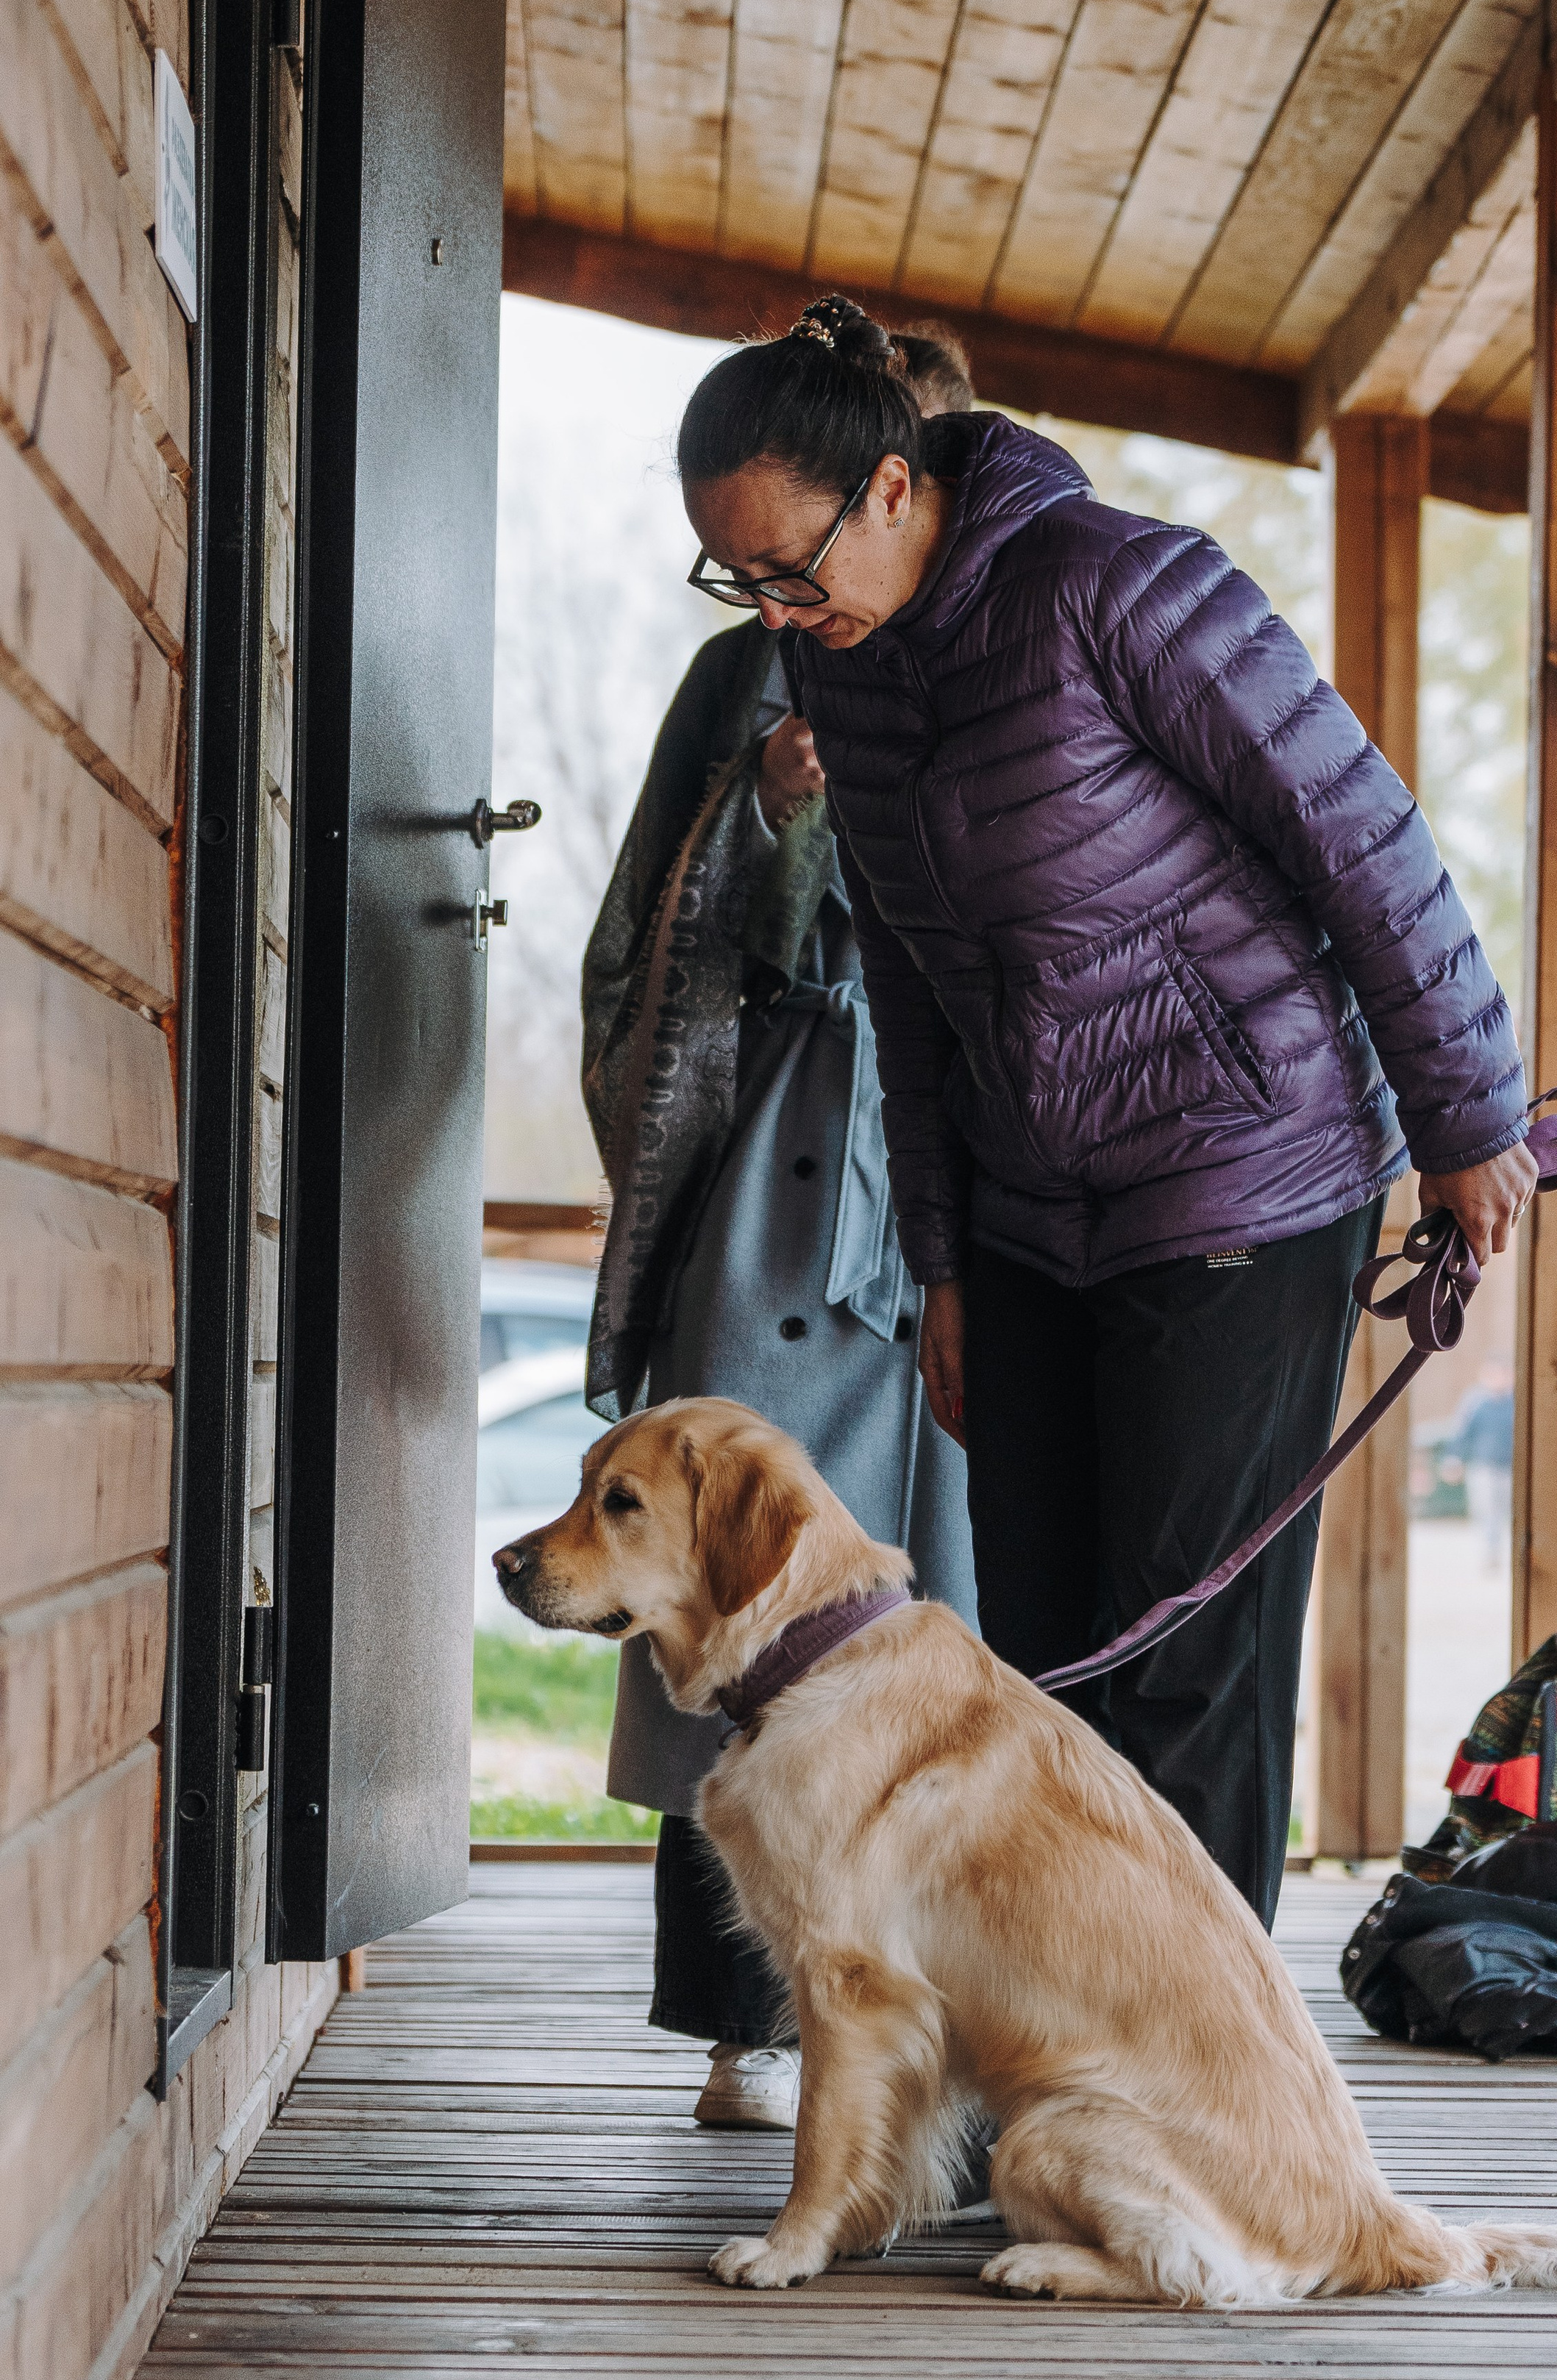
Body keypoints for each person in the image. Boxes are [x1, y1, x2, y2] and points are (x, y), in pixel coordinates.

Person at [671, 293, 1539, 1934]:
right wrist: (942, 1266)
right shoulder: (836, 670)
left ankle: (1201, 2077)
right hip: (1026, 1209)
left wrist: (1465, 1111)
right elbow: (912, 990)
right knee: (1040, 1668)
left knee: (1182, 1670)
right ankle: (1060, 2051)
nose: (777, 609)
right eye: (740, 580)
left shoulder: (1119, 585)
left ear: (891, 488)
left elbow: (1359, 834)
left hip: (1241, 1175)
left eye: (790, 566)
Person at [580, 321, 979, 2129]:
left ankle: (921, 2012)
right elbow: (662, 921)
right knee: (722, 1562)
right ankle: (736, 2018)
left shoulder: (988, 638)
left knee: (930, 1574)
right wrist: (771, 806)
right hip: (779, 1149)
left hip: (940, 1161)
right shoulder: (740, 670)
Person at [1456, 1361, 1515, 1568]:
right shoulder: (1477, 1403)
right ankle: (1490, 1553)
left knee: (1507, 1512)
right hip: (1484, 1467)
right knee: (1487, 1512)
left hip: (1509, 1467)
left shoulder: (1515, 1403)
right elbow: (1463, 1433)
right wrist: (1455, 1458)